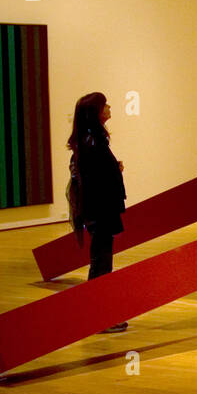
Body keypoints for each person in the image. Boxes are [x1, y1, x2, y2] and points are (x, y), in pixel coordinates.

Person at [66, 92, 128, 333]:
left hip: (99, 209)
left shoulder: (90, 140)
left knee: (101, 260)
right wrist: (114, 169)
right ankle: (97, 316)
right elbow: (96, 178)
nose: (109, 107)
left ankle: (97, 313)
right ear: (96, 112)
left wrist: (114, 167)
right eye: (105, 105)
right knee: (101, 262)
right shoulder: (93, 141)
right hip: (101, 209)